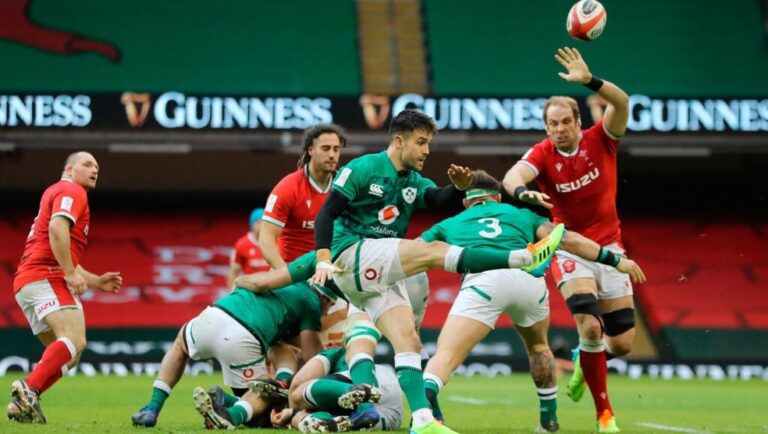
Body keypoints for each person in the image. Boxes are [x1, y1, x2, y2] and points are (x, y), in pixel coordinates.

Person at [309, 109, 565, 434]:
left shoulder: (414, 182)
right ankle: (520, 259)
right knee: (430, 252)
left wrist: (458, 188)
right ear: (398, 140)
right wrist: (322, 258)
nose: (427, 151)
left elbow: (437, 198)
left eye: (428, 143)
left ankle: (423, 420)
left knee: (409, 341)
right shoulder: (363, 167)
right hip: (352, 254)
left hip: (375, 272)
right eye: (421, 142)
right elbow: (326, 213)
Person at [420, 171, 645, 433]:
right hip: (528, 279)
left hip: (483, 282)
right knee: (539, 347)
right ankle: (548, 420)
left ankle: (424, 413)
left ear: (466, 202)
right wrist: (616, 260)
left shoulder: (449, 223)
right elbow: (567, 240)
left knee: (446, 355)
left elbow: (412, 250)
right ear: (498, 198)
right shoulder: (523, 215)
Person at [502, 47, 633, 433]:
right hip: (570, 245)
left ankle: (583, 358)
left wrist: (591, 81)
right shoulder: (543, 153)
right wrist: (524, 194)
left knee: (622, 344)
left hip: (610, 245)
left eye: (565, 121)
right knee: (591, 327)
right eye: (552, 124)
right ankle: (604, 415)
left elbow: (622, 102)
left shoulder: (603, 140)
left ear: (579, 122)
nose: (558, 129)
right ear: (546, 128)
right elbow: (512, 177)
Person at [7, 152, 122, 424]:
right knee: (76, 340)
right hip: (47, 275)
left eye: (97, 166)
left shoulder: (57, 191)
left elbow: (62, 247)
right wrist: (69, 274)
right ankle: (28, 388)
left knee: (69, 355)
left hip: (27, 282)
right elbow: (57, 228)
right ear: (69, 169)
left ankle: (22, 404)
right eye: (87, 164)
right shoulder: (71, 190)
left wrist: (95, 281)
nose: (95, 169)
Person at [130, 280, 336, 428]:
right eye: (330, 305)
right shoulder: (312, 303)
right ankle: (246, 400)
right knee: (260, 415)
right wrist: (332, 356)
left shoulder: (283, 278)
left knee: (180, 346)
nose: (326, 312)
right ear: (324, 296)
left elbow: (251, 282)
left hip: (217, 312)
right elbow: (312, 355)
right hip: (244, 336)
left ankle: (152, 408)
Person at [260, 124, 348, 269]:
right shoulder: (287, 187)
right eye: (326, 148)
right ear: (311, 150)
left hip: (330, 273)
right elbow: (266, 239)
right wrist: (285, 275)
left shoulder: (345, 186)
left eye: (336, 149)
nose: (332, 155)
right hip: (293, 271)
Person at [226, 208, 270, 290]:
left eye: (264, 222)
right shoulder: (241, 244)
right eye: (258, 222)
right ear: (252, 225)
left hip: (273, 289)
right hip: (251, 290)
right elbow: (234, 272)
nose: (261, 226)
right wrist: (231, 293)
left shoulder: (276, 241)